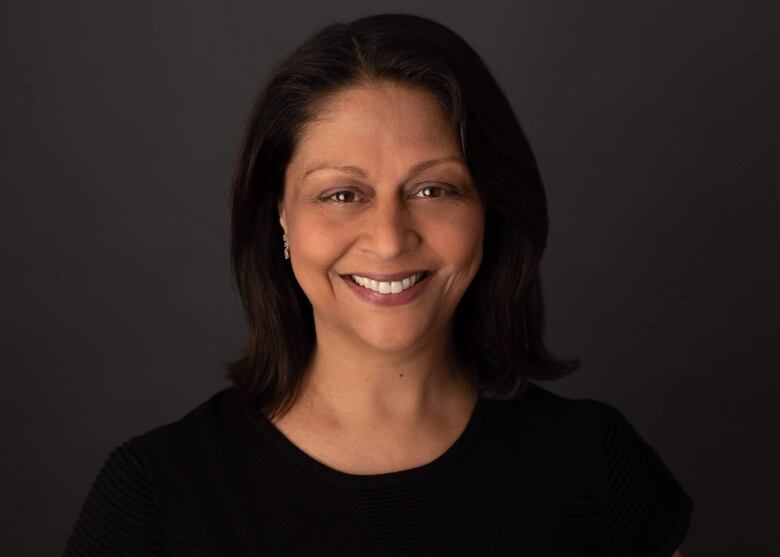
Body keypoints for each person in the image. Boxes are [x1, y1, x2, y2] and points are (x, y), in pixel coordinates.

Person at [63, 13, 693, 556]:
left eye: (432, 189)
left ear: (490, 210)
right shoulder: (155, 496)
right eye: (342, 194)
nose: (389, 239)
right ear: (279, 217)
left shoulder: (597, 469)